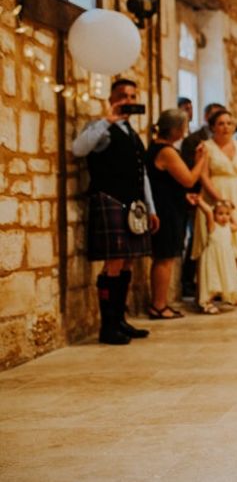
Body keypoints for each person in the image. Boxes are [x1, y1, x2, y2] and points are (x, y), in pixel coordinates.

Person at [71, 78, 157, 345]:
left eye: (132, 96)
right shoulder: (101, 128)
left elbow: (142, 174)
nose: (128, 101)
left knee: (129, 259)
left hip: (134, 205)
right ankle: (107, 326)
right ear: (111, 99)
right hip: (109, 199)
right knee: (115, 261)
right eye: (123, 96)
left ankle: (120, 319)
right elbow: (78, 148)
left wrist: (151, 208)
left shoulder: (132, 134)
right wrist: (107, 120)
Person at [147, 108, 209, 319]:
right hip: (166, 210)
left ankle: (160, 303)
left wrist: (184, 197)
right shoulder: (166, 152)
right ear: (175, 129)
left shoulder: (159, 148)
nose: (185, 131)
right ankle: (158, 305)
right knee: (165, 257)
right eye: (183, 127)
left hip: (169, 205)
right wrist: (202, 159)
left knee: (166, 256)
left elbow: (167, 183)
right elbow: (189, 179)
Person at [191, 109, 237, 275]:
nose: (225, 127)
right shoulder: (205, 147)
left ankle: (233, 288)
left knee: (236, 244)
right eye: (221, 123)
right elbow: (203, 175)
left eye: (229, 123)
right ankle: (211, 287)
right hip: (215, 196)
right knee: (214, 243)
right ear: (213, 127)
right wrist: (220, 200)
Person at [179, 102, 225, 294]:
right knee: (199, 240)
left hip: (221, 191)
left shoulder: (225, 141)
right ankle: (190, 281)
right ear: (207, 118)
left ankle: (221, 282)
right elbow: (192, 167)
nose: (220, 124)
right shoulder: (193, 140)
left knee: (221, 239)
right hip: (199, 193)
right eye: (216, 118)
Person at [195, 200, 237, 314]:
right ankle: (208, 302)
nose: (224, 217)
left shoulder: (228, 226)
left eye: (227, 214)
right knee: (213, 278)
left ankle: (230, 297)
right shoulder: (212, 226)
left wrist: (230, 214)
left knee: (226, 276)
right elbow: (207, 211)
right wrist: (200, 201)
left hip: (226, 257)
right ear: (214, 214)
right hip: (213, 257)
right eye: (220, 214)